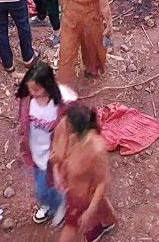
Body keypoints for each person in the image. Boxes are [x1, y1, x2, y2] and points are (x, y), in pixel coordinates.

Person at [16, 60, 76, 226]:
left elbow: (73, 129)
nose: (32, 92)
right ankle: (54, 202)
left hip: (54, 156)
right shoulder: (27, 100)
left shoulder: (64, 103)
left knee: (45, 188)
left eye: (36, 89)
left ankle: (58, 205)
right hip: (35, 153)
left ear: (47, 85)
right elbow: (22, 122)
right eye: (30, 88)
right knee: (44, 184)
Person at [50, 103, 117, 242]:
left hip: (81, 194)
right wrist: (57, 174)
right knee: (99, 203)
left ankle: (105, 220)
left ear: (76, 132)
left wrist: (89, 212)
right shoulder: (65, 124)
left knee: (70, 230)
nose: (64, 126)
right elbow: (57, 154)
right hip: (72, 185)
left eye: (68, 125)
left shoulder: (96, 150)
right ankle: (108, 220)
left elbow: (101, 183)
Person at [56, 0, 111, 83]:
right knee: (66, 52)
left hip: (91, 21)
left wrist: (109, 26)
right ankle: (64, 85)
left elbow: (104, 5)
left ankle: (92, 70)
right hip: (70, 20)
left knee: (92, 47)